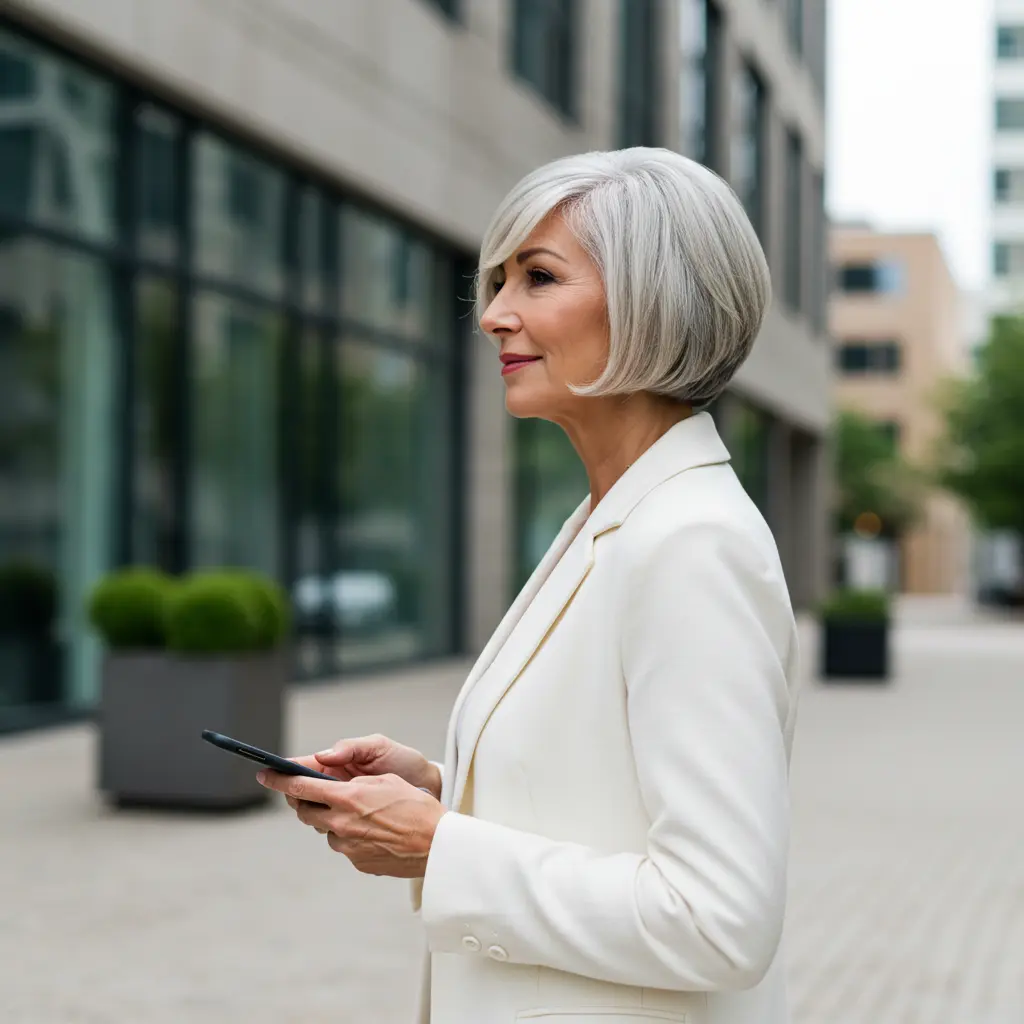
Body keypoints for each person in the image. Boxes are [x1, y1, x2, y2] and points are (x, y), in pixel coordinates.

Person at [257, 147, 802, 1024]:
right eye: (499, 281)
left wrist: (441, 847)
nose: (493, 315)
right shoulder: (611, 519)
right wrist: (441, 790)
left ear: (653, 299)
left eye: (538, 277)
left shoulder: (690, 543)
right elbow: (608, 796)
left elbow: (721, 921)